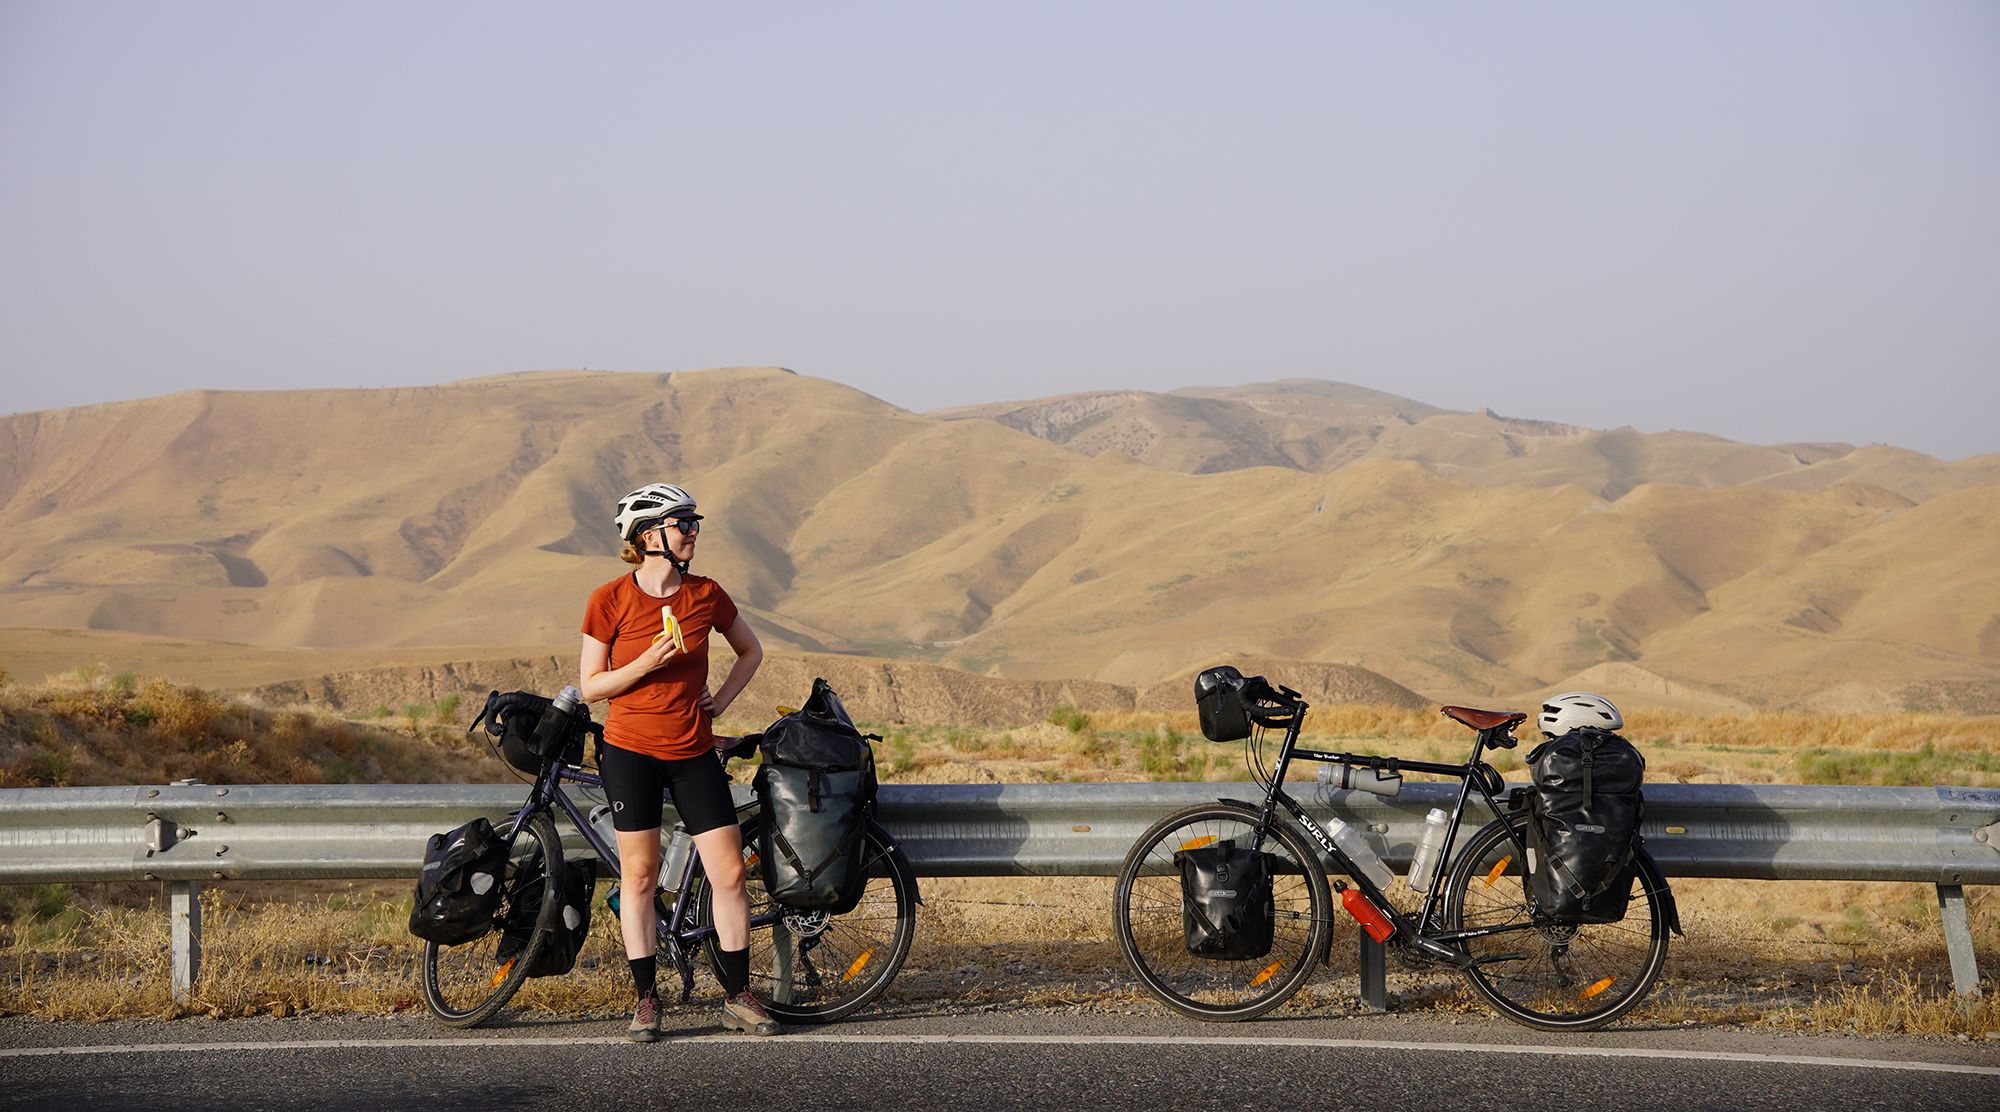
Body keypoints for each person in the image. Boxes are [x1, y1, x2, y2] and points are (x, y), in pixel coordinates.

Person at [579, 482, 776, 1042]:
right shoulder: (609, 598)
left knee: (731, 873)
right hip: (630, 752)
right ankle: (646, 999)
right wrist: (643, 663)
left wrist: (724, 699)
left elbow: (751, 650)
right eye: (682, 522)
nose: (693, 531)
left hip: (694, 749)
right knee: (639, 877)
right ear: (648, 536)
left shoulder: (706, 594)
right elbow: (592, 687)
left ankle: (737, 995)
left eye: (695, 521)